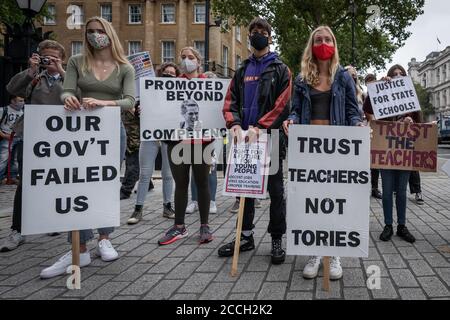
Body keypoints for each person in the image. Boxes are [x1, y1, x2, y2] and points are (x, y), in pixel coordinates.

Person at [39, 17, 136, 279]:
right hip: (79, 131)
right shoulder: (76, 61)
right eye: (90, 31)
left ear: (109, 34)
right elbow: (66, 90)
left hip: (110, 131)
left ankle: (105, 238)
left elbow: (130, 101)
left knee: (104, 184)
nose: (95, 35)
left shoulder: (124, 67)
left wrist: (106, 104)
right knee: (76, 185)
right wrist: (69, 98)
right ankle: (78, 247)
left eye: (99, 31)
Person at [283, 26, 363, 279]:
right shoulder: (302, 78)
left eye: (328, 39)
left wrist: (358, 125)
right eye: (319, 39)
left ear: (334, 43)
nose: (323, 43)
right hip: (309, 151)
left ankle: (334, 253)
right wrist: (291, 120)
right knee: (312, 201)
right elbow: (295, 110)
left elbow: (352, 111)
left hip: (337, 151)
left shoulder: (343, 77)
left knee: (335, 200)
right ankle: (314, 252)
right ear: (312, 45)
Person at [220, 17, 292, 265]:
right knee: (244, 191)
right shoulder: (241, 71)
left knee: (275, 192)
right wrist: (236, 125)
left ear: (270, 37)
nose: (257, 34)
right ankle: (245, 237)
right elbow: (230, 103)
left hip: (269, 139)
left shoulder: (281, 69)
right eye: (254, 31)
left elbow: (283, 105)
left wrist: (260, 127)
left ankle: (276, 239)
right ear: (249, 36)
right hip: (244, 141)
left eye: (262, 31)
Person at [0, 40, 67, 253]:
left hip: (61, 139)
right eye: (44, 56)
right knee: (26, 182)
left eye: (53, 57)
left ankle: (53, 220)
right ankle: (17, 229)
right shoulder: (34, 78)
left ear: (61, 59)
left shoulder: (69, 78)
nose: (48, 60)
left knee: (57, 180)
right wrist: (30, 70)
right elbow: (12, 88)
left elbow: (81, 97)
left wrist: (62, 72)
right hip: (34, 137)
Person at [158, 46, 213, 245]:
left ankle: (204, 225)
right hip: (177, 141)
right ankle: (179, 226)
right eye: (183, 57)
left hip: (202, 142)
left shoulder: (208, 84)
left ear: (199, 62)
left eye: (191, 57)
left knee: (202, 182)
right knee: (180, 183)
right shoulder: (172, 85)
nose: (186, 60)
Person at [363, 64, 416, 244]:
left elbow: (419, 122)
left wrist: (411, 122)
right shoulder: (382, 95)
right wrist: (378, 87)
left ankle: (401, 225)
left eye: (401, 74)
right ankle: (388, 225)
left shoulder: (410, 97)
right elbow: (368, 109)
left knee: (401, 191)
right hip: (386, 150)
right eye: (394, 74)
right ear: (389, 77)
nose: (398, 76)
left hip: (404, 149)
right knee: (386, 192)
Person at [127, 62, 179, 224]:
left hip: (169, 137)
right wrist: (138, 110)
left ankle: (167, 206)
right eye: (166, 72)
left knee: (168, 175)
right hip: (150, 137)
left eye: (172, 73)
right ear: (160, 73)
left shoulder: (178, 92)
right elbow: (136, 109)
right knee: (145, 174)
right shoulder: (148, 91)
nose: (169, 75)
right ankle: (138, 209)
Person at [363, 73, 382, 199]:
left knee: (376, 162)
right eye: (368, 81)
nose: (370, 83)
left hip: (380, 130)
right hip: (370, 129)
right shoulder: (366, 97)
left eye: (372, 80)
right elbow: (367, 113)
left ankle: (375, 187)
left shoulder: (382, 95)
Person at [0, 96, 24, 184]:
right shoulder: (4, 110)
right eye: (20, 101)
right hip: (7, 138)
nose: (22, 103)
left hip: (19, 138)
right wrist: (3, 135)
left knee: (16, 159)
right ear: (13, 101)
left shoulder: (23, 112)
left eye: (23, 101)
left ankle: (13, 177)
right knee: (3, 158)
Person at [120, 103, 140, 200]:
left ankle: (125, 190)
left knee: (133, 154)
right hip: (126, 109)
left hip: (133, 111)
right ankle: (148, 184)